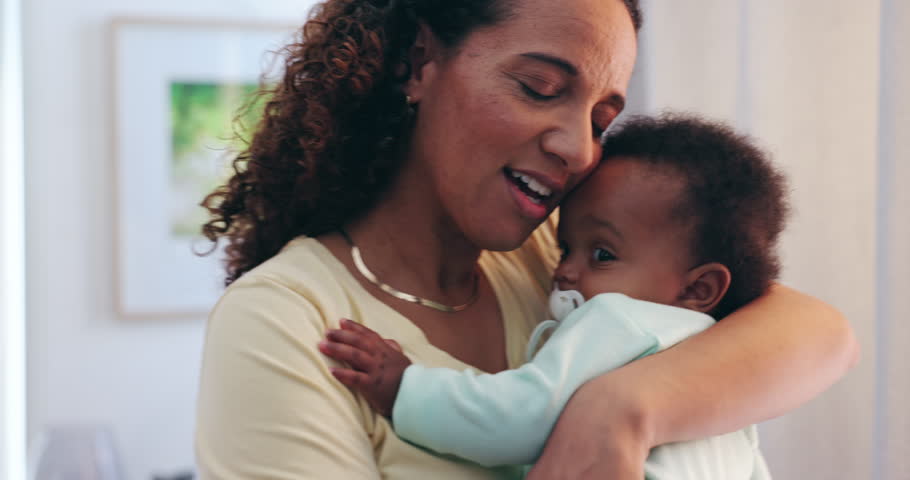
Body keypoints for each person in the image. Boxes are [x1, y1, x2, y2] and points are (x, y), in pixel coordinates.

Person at [194, 0, 859, 478]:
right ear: (420, 61)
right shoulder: (284, 319)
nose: (578, 149)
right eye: (539, 88)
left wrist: (621, 410)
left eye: (601, 120)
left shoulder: (560, 260)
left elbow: (822, 334)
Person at [319, 114, 787, 479]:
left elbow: (521, 415)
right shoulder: (723, 369)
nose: (563, 269)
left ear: (697, 289)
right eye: (565, 247)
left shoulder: (620, 321)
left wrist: (406, 388)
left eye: (601, 253)